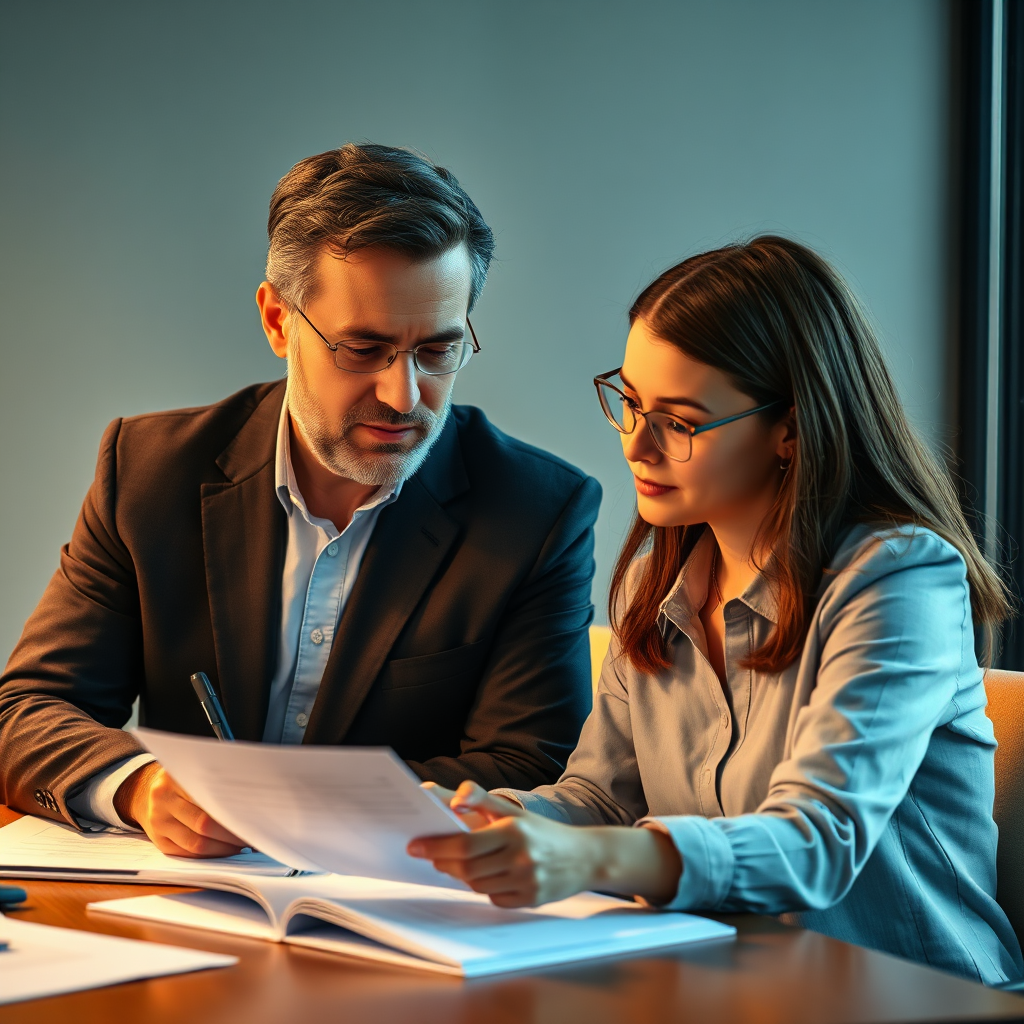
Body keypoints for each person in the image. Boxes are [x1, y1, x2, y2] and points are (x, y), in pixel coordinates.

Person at [409, 236, 1024, 985]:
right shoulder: (655, 586)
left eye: (680, 421)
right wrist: (469, 820)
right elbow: (601, 799)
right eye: (631, 404)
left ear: (789, 429)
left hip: (917, 995)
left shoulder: (899, 580)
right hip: (729, 984)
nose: (637, 445)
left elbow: (818, 842)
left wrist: (584, 857)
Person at [0, 144, 600, 858]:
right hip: (186, 898)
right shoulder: (148, 471)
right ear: (278, 321)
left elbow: (530, 768)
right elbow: (26, 710)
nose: (403, 395)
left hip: (393, 901)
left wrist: (278, 807)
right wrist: (140, 785)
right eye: (363, 349)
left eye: (438, 351)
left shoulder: (539, 512)